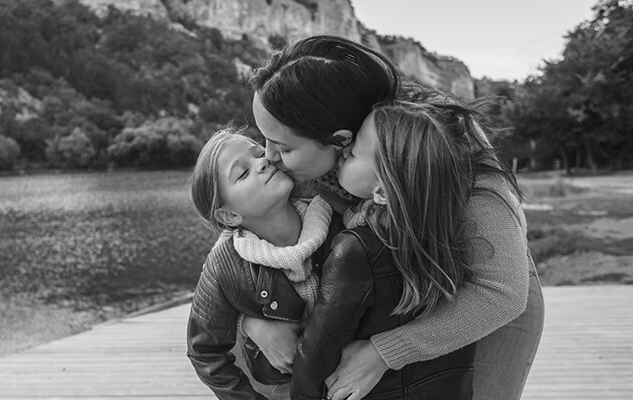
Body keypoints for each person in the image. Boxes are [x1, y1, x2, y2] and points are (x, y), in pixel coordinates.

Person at [245, 35, 544, 400]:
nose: (268, 156)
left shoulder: (442, 145)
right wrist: (254, 318)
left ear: (341, 142)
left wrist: (387, 352)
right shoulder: (305, 155)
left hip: (482, 298)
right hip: (390, 295)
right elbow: (239, 240)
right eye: (265, 138)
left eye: (283, 146)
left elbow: (503, 293)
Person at [186, 127, 340, 399]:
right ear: (230, 216)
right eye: (242, 173)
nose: (263, 162)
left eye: (259, 153)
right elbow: (205, 350)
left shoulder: (339, 220)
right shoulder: (226, 265)